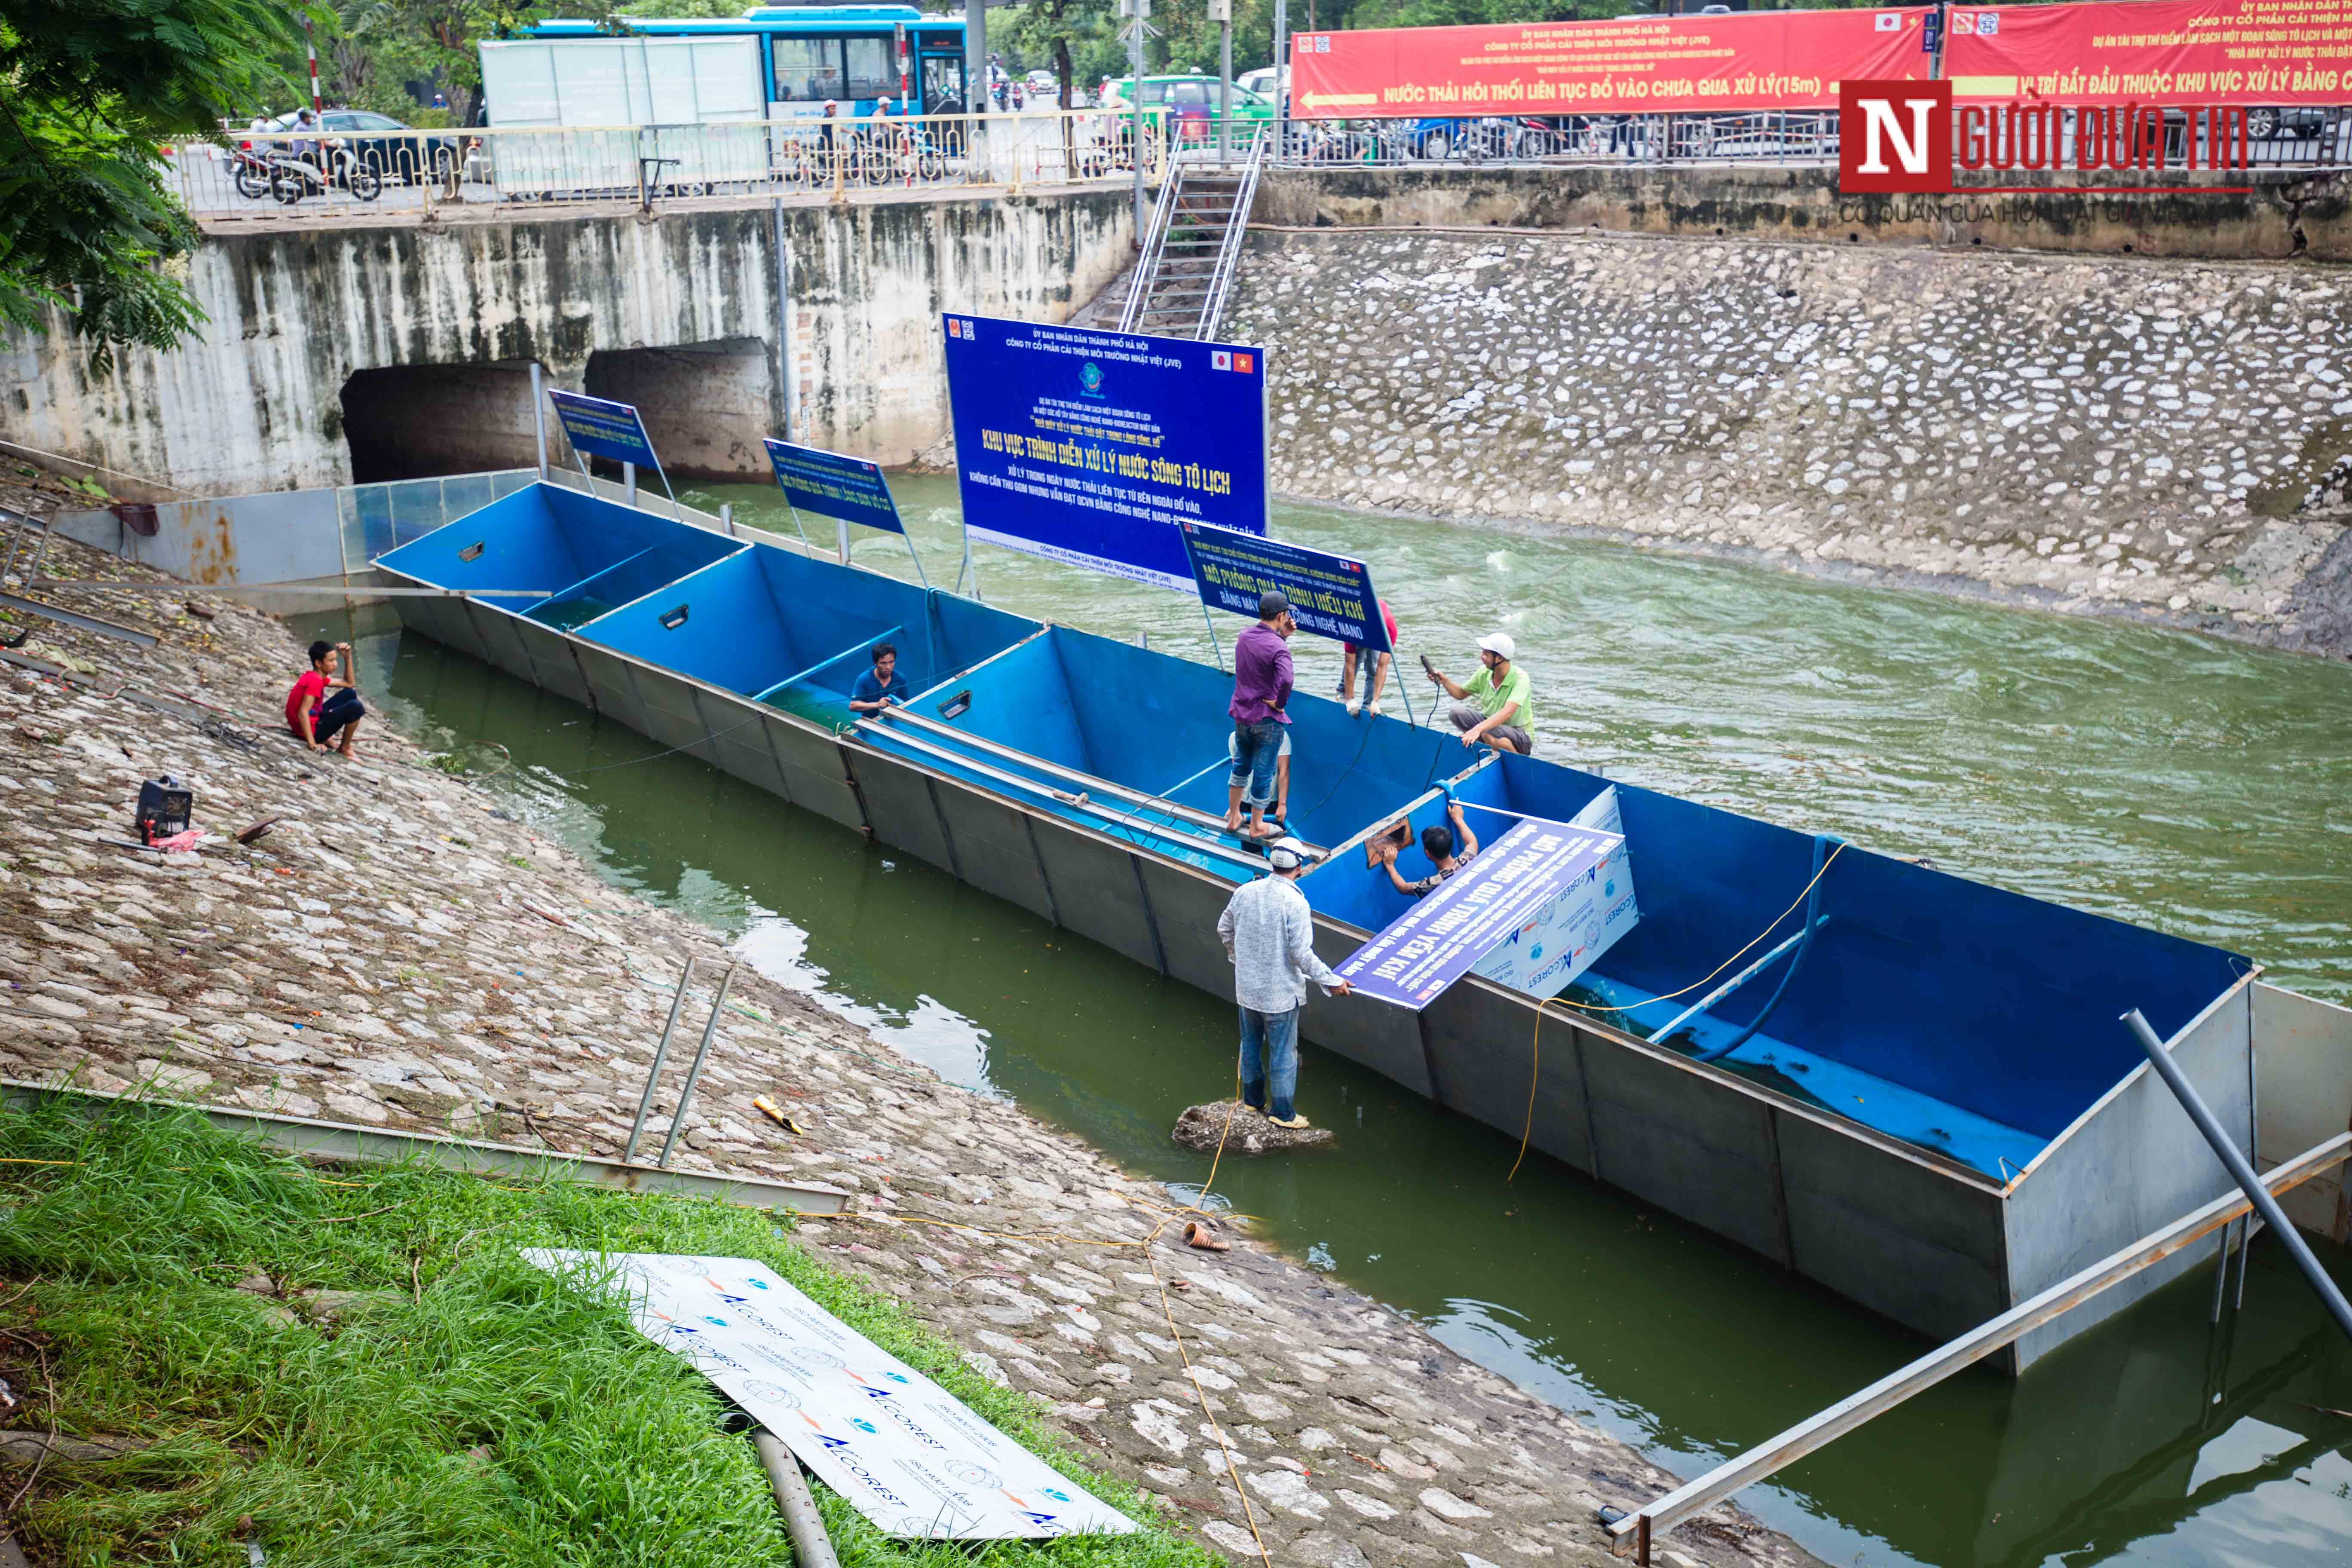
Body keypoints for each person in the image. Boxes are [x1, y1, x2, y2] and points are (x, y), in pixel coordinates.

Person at [1217, 836, 1352, 1129]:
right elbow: (1302, 954)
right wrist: (1332, 982)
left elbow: (1224, 929)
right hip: (1280, 996)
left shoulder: (1245, 891)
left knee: (1250, 1046)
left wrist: (1239, 961)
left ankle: (1252, 1103)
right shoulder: (1296, 903)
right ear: (1299, 867)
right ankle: (1283, 1113)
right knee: (1282, 1053)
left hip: (1247, 990)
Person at [1226, 590, 1295, 841]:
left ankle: (1234, 816)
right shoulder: (1279, 648)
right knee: (1264, 774)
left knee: (1241, 766)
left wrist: (1282, 637)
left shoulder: (1244, 636)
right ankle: (1256, 825)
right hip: (1266, 719)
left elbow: (1260, 658)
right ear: (1281, 615)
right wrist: (1279, 703)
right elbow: (1286, 678)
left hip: (1242, 715)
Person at [1425, 631, 1535, 755]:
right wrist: (1444, 680)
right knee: (1456, 714)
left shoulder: (1521, 678)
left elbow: (1507, 712)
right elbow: (1460, 693)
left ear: (1499, 658)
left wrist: (1477, 729)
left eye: (1486, 654)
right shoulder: (1484, 673)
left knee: (1488, 732)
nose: (1482, 657)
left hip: (1520, 735)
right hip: (1491, 728)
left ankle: (1518, 760)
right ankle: (1488, 743)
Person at [1375, 797, 1479, 897]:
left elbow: (1403, 887)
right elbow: (1472, 843)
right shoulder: (1467, 861)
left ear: (1428, 853)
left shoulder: (1432, 885)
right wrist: (1459, 819)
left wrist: (1390, 865)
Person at [286, 640, 364, 757]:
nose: (335, 664)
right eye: (331, 661)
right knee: (356, 707)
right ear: (319, 663)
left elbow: (349, 683)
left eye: (336, 660)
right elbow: (302, 713)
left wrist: (347, 658)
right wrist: (313, 744)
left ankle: (327, 739)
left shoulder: (316, 677)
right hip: (310, 733)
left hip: (312, 722)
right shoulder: (315, 681)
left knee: (349, 693)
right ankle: (344, 748)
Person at [1337, 597, 1399, 719]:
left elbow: (1382, 666)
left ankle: (1369, 706)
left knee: (1373, 668)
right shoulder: (1352, 626)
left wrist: (1376, 702)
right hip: (1360, 628)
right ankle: (1343, 692)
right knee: (1357, 659)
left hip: (1377, 631)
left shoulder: (1389, 630)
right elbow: (1350, 664)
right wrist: (1351, 700)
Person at [848, 642, 909, 715]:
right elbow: (853, 705)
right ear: (875, 663)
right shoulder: (864, 679)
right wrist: (877, 705)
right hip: (870, 721)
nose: (888, 667)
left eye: (891, 662)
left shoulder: (900, 679)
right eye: (883, 663)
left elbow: (906, 704)